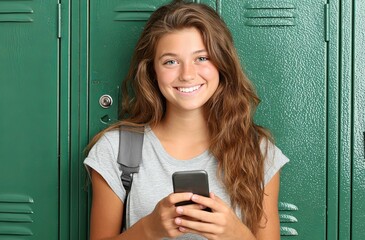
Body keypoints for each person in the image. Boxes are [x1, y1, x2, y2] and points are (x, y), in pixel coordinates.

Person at [84, 0, 289, 239]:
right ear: (152, 71)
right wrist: (149, 228)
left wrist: (235, 234)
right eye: (171, 61)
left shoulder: (259, 153)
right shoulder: (116, 149)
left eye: (202, 58)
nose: (187, 74)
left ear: (222, 64)